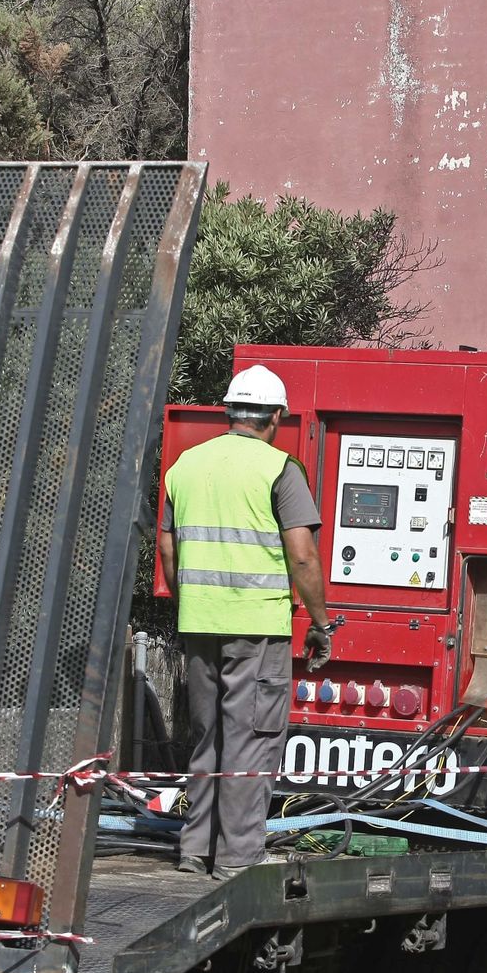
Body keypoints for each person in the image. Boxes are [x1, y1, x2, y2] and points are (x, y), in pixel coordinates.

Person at [158, 364, 334, 880]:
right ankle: (238, 858)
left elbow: (167, 546)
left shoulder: (185, 465)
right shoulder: (280, 469)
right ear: (275, 416)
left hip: (199, 622)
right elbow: (302, 557)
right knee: (250, 739)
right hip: (256, 627)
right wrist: (321, 622)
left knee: (207, 736)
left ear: (231, 412)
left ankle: (194, 849)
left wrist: (190, 601)